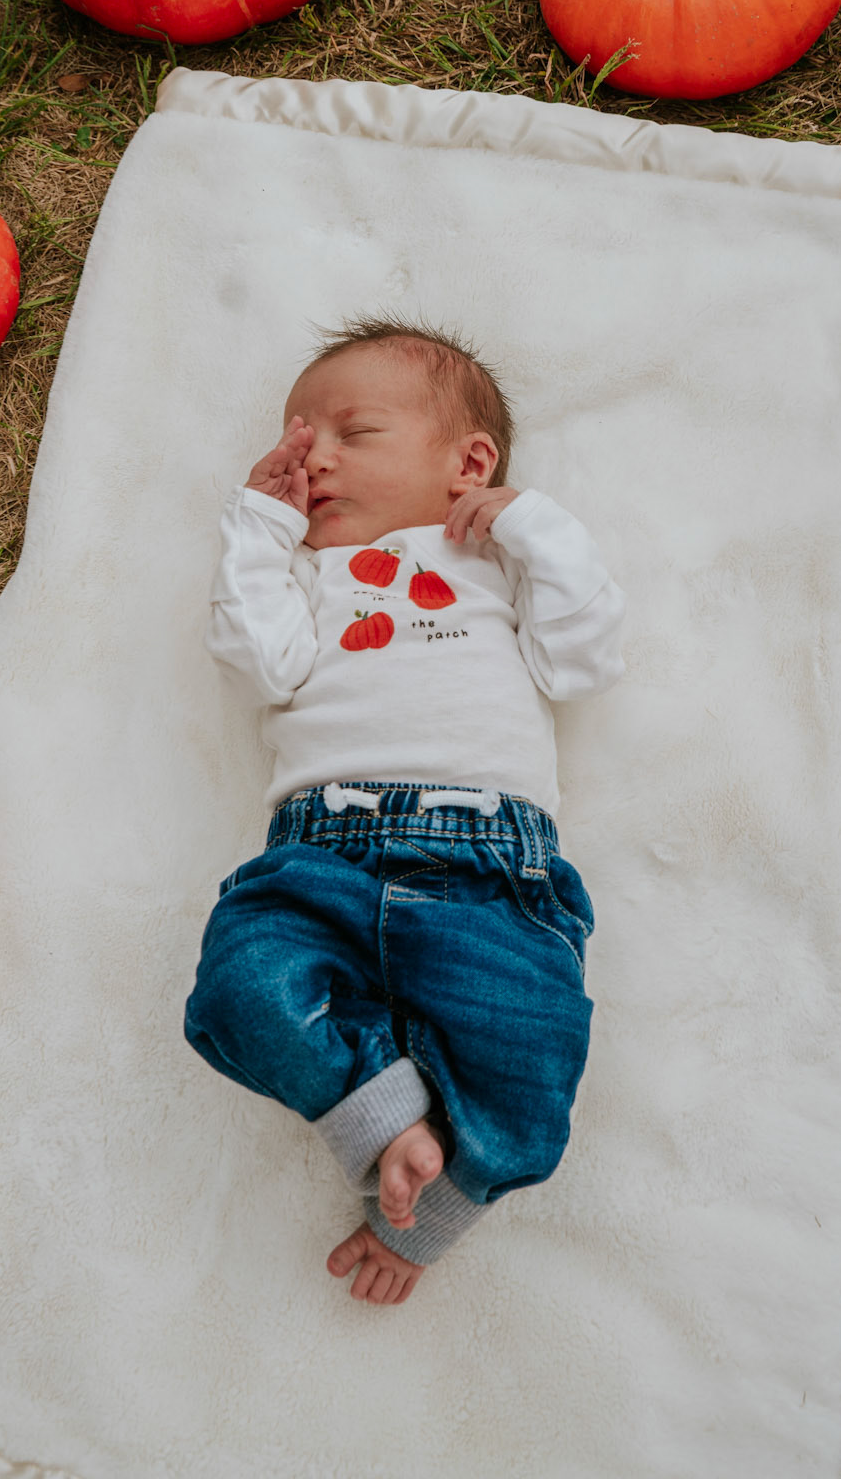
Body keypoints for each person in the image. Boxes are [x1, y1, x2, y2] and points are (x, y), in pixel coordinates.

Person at [183, 315, 626, 1305]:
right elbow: (256, 666)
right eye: (299, 440)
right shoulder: (301, 571)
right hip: (319, 858)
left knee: (531, 1051)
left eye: (353, 433)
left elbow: (585, 658)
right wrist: (258, 528)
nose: (314, 459)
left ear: (469, 463)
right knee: (239, 987)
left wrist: (532, 526)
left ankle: (442, 1195)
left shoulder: (500, 560)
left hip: (490, 865)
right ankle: (382, 1114)